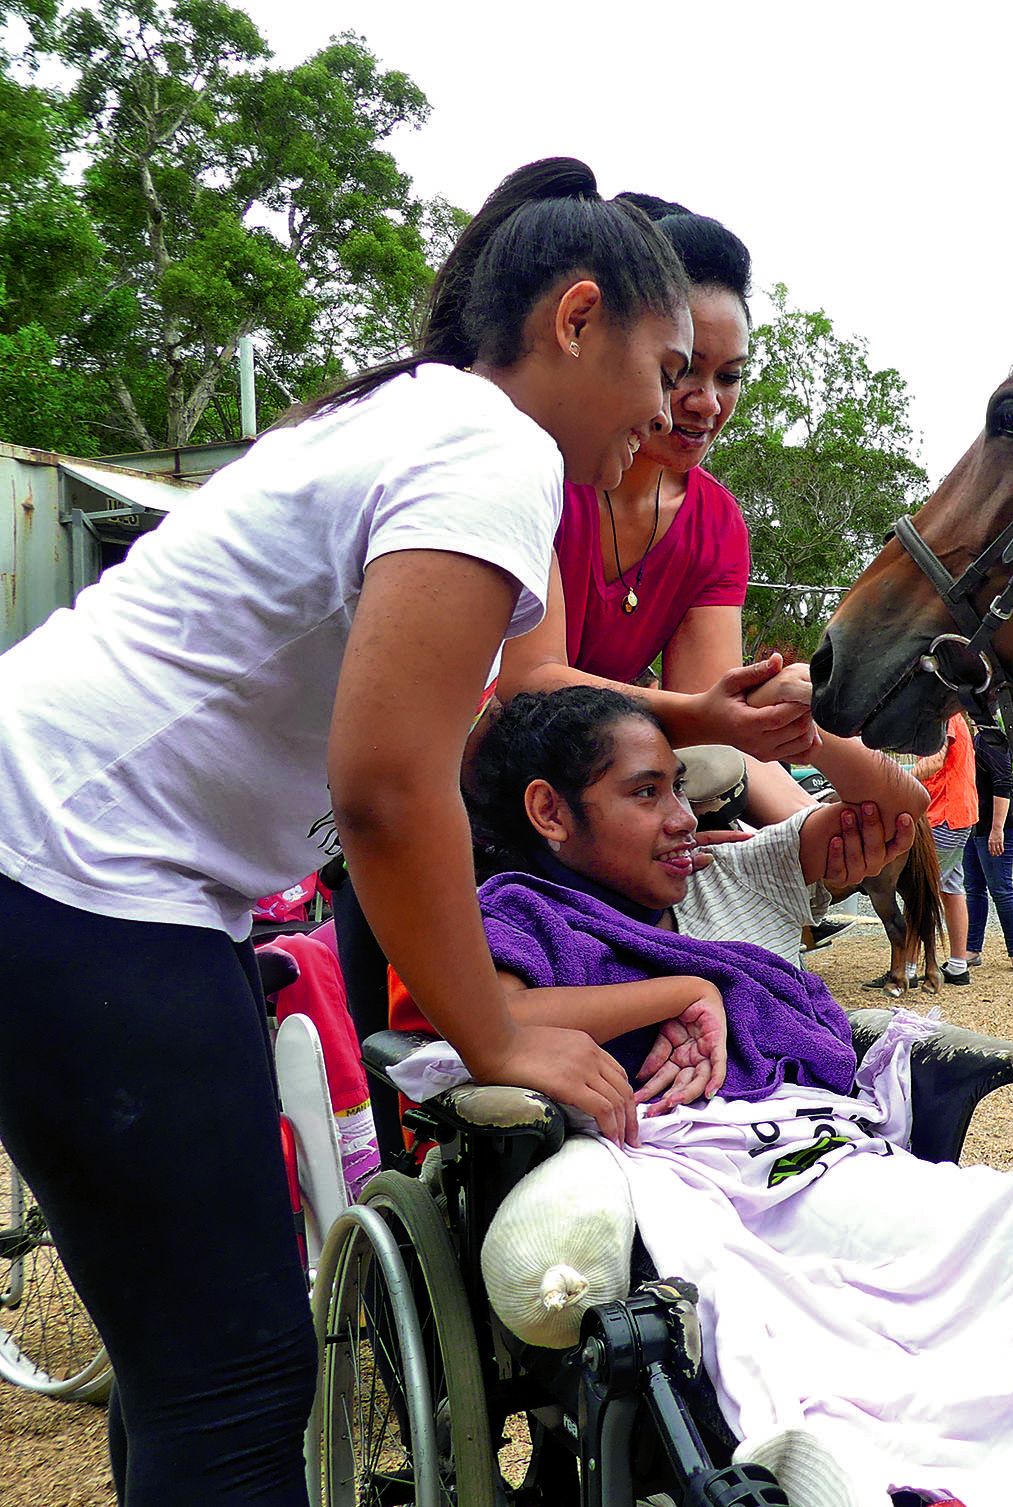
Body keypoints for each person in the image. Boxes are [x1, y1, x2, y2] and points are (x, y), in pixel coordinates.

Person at [0, 158, 813, 1507]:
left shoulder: (419, 418)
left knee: (184, 1357)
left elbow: (420, 748)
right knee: (243, 1373)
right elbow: (389, 785)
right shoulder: (495, 451)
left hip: (74, 867)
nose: (672, 407)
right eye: (663, 366)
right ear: (575, 318)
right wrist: (494, 1035)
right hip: (89, 877)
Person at [388, 685, 1013, 1503]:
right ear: (550, 813)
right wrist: (679, 990)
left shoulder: (722, 880)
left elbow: (897, 810)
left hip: (806, 1147)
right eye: (645, 791)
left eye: (679, 788)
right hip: (688, 1176)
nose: (681, 817)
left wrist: (783, 729)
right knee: (788, 1316)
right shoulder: (524, 909)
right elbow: (496, 1018)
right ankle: (889, 1471)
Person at [495, 197, 815, 827]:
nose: (705, 402)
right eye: (682, 371)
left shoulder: (716, 522)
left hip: (601, 790)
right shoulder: (549, 474)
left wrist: (813, 826)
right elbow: (527, 682)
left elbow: (713, 722)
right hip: (492, 775)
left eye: (729, 376)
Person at [913, 710, 979, 985]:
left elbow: (935, 760)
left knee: (920, 891)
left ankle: (904, 970)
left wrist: (894, 778)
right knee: (951, 886)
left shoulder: (945, 714)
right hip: (955, 813)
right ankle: (957, 965)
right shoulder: (949, 714)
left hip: (945, 815)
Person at [963, 718, 1013, 973]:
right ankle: (972, 949)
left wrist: (996, 830)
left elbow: (1003, 786)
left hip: (998, 825)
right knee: (974, 888)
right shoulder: (973, 739)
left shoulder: (993, 740)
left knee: (1001, 888)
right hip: (974, 824)